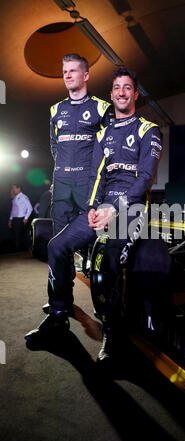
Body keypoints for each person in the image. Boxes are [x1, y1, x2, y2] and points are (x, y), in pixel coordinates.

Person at [25, 67, 168, 362]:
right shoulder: (102, 134)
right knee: (57, 245)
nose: (121, 92)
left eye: (127, 88)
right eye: (117, 88)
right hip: (101, 207)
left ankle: (113, 334)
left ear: (135, 94)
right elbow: (97, 177)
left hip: (132, 208)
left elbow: (145, 179)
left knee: (107, 259)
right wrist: (92, 209)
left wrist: (113, 209)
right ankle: (59, 316)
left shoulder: (148, 130)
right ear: (112, 93)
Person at [50, 53, 114, 235]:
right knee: (59, 238)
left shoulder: (101, 108)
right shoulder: (56, 110)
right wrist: (62, 169)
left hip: (88, 183)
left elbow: (109, 150)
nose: (67, 76)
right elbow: (55, 147)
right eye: (64, 72)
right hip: (61, 182)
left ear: (85, 75)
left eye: (72, 71)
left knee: (92, 234)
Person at [8, 184, 33, 251]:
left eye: (14, 188)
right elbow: (13, 209)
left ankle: (20, 251)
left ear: (19, 189)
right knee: (15, 236)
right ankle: (17, 251)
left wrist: (26, 218)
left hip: (20, 219)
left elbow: (30, 208)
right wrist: (10, 219)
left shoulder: (23, 197)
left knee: (19, 236)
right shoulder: (14, 197)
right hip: (14, 219)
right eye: (12, 188)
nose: (13, 190)